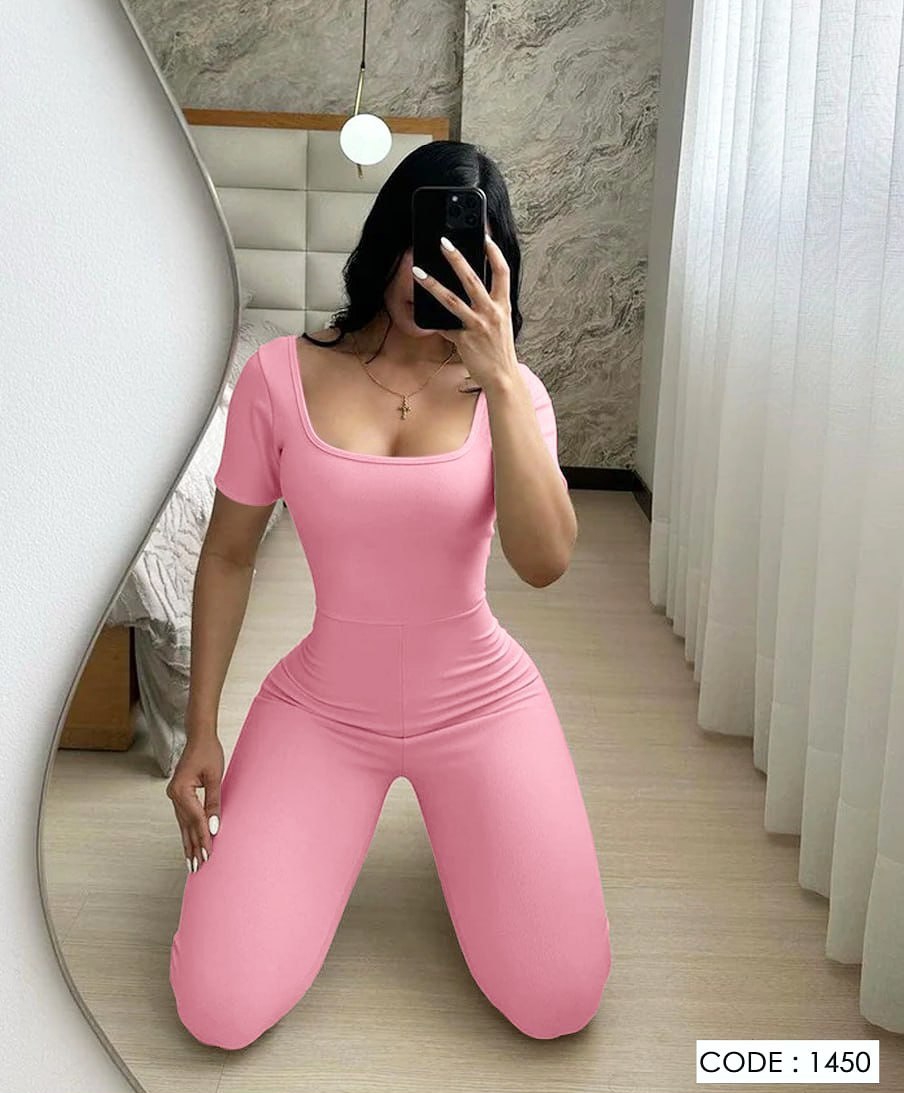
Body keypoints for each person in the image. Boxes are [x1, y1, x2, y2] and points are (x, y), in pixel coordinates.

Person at [167, 139, 612, 1049]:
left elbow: (544, 562)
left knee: (560, 1000)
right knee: (216, 1009)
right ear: (384, 241)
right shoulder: (278, 376)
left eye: (458, 253)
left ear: (492, 269)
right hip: (324, 706)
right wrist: (200, 728)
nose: (427, 272)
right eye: (416, 244)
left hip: (481, 700)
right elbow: (228, 557)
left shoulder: (513, 392)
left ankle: (474, 841)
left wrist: (500, 376)